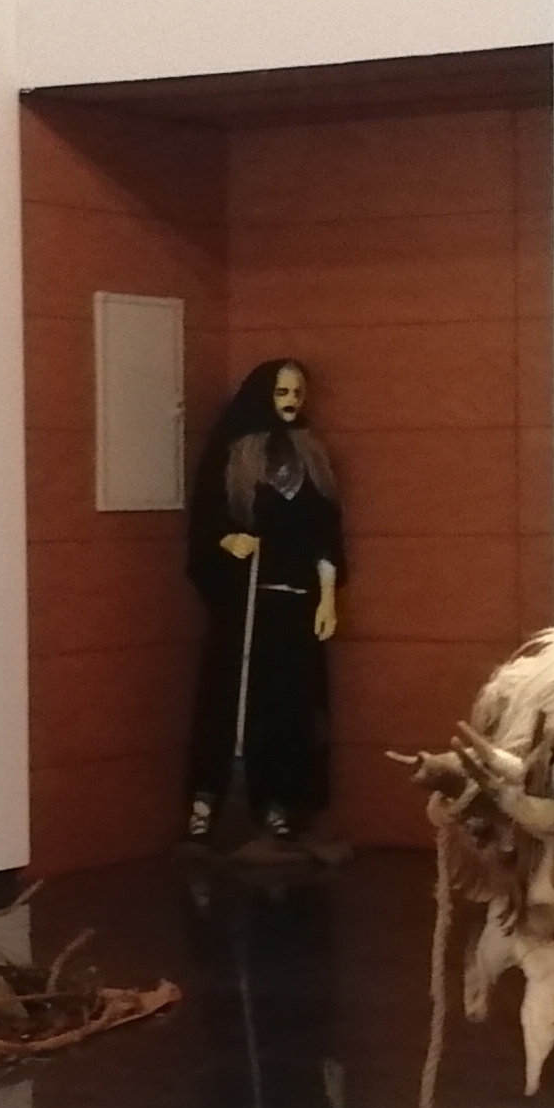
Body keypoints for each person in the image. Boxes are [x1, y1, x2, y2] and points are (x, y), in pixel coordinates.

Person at [184, 359, 344, 845]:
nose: (291, 401)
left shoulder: (312, 458)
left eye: (297, 393)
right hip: (243, 604)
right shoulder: (231, 456)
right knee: (229, 696)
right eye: (281, 392)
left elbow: (325, 536)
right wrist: (226, 541)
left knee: (288, 704)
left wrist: (327, 599)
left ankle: (278, 801)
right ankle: (208, 799)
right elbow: (206, 523)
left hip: (294, 604)